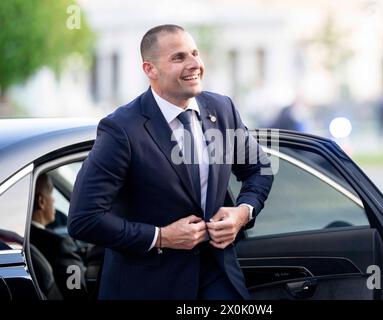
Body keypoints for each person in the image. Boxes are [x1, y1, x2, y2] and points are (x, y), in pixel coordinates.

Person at [67, 24, 274, 300]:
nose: (194, 64)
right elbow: (84, 218)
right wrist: (161, 236)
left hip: (218, 275)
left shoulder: (222, 109)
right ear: (150, 70)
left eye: (195, 53)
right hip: (148, 285)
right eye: (178, 58)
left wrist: (242, 213)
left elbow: (259, 169)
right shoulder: (121, 129)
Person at [30, 173, 87, 299]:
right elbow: (77, 292)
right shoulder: (60, 245)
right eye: (51, 193)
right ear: (41, 202)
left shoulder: (22, 241)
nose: (54, 200)